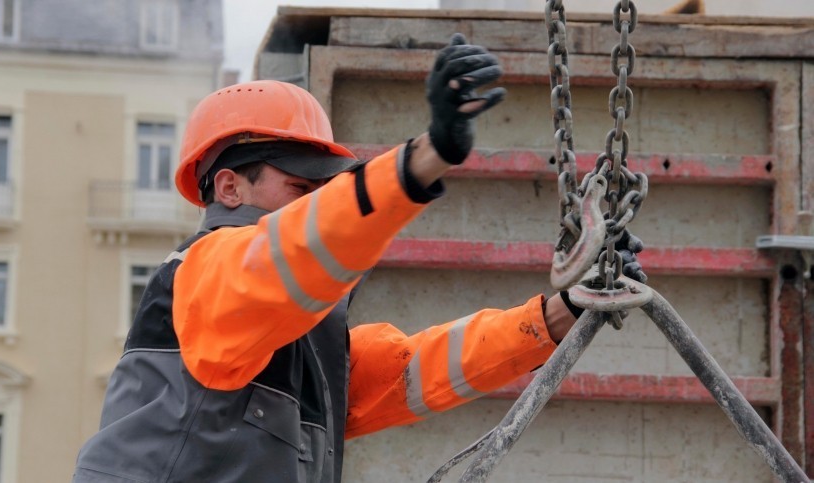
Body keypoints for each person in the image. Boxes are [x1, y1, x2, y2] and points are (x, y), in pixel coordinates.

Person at [72, 34, 642, 482]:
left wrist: (556, 315)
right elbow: (290, 254)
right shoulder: (206, 276)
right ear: (229, 188)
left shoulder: (303, 339)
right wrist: (425, 159)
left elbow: (415, 369)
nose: (319, 204)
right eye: (304, 189)